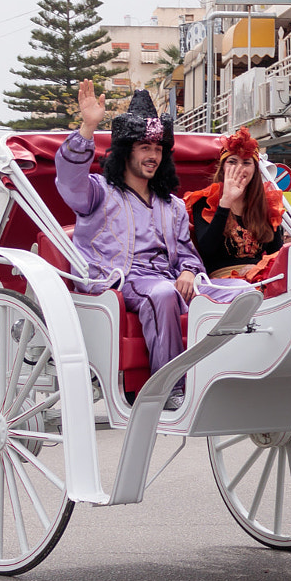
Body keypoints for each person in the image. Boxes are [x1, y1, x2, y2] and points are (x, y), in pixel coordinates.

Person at [61, 83, 248, 410]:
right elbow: (69, 179)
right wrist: (88, 127)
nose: (152, 155)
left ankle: (240, 374)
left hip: (173, 282)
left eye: (158, 149)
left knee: (244, 293)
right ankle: (168, 388)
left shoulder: (172, 206)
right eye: (144, 146)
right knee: (162, 293)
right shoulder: (98, 193)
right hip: (118, 282)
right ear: (125, 151)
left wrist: (190, 271)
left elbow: (188, 255)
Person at [184, 127, 285, 278]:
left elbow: (276, 254)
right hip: (223, 284)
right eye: (232, 162)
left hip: (259, 278)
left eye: (246, 163)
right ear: (223, 168)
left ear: (254, 169)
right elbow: (206, 249)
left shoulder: (267, 204)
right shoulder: (205, 201)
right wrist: (225, 203)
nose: (239, 168)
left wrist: (258, 268)